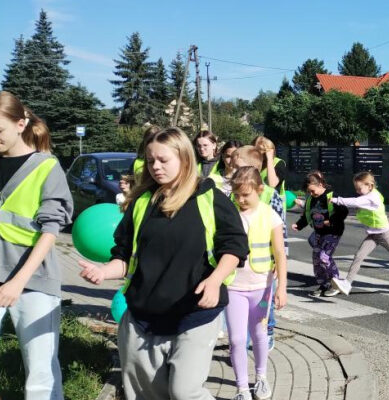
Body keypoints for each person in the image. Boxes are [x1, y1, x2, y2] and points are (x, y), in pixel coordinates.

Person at [78, 127, 248, 400]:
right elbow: (123, 256)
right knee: (146, 395)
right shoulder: (142, 202)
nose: (155, 167)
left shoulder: (210, 199)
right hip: (143, 317)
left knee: (185, 392)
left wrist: (215, 281)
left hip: (194, 314)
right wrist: (102, 271)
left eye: (163, 160)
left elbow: (235, 247)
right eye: (150, 160)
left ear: (184, 158)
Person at [0, 91, 73, 400]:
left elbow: (50, 232)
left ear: (20, 124)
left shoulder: (46, 167)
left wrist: (18, 282)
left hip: (33, 282)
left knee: (40, 374)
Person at [225, 166, 287, 400]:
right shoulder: (228, 213)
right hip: (233, 286)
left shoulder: (269, 214)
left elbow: (280, 252)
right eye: (236, 194)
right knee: (237, 339)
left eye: (246, 195)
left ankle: (261, 377)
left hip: (262, 288)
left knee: (259, 334)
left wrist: (281, 287)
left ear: (260, 190)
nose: (240, 200)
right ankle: (242, 388)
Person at [231, 145, 285, 348]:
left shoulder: (271, 196)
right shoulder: (234, 197)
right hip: (238, 273)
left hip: (265, 269)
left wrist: (279, 266)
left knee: (265, 305)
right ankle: (243, 342)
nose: (234, 169)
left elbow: (281, 236)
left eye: (239, 167)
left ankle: (268, 330)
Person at [292, 171, 348, 297]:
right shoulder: (311, 199)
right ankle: (323, 285)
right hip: (319, 233)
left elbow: (343, 212)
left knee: (324, 257)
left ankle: (336, 283)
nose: (311, 194)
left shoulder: (332, 197)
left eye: (313, 191)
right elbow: (307, 215)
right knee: (317, 260)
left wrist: (331, 221)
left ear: (321, 184)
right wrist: (299, 225)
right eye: (309, 192)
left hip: (333, 232)